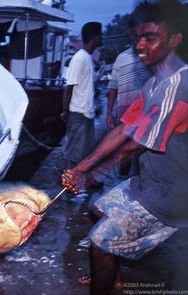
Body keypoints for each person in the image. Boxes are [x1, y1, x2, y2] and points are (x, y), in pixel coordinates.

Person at [61, 1, 188, 294]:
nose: (140, 45)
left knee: (99, 242)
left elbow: (135, 144)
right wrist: (79, 168)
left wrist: (90, 177)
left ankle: (103, 281)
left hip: (173, 194)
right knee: (99, 209)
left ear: (174, 40)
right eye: (138, 38)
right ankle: (113, 279)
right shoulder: (155, 82)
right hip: (150, 182)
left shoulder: (177, 86)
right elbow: (121, 129)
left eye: (150, 38)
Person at [106, 17, 153, 177]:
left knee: (142, 152)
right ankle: (122, 182)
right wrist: (109, 113)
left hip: (146, 114)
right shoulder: (121, 58)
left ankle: (140, 183)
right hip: (124, 115)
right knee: (123, 152)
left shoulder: (151, 57)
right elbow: (113, 87)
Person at [61, 22, 103, 189]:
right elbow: (69, 87)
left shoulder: (87, 58)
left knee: (89, 149)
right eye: (100, 35)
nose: (102, 38)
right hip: (78, 112)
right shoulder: (79, 58)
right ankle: (67, 181)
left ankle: (90, 180)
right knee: (72, 151)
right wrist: (65, 111)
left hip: (86, 112)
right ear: (95, 37)